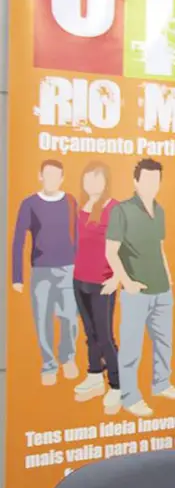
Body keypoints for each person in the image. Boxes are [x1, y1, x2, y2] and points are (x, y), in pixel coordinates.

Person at [106, 158, 175, 417]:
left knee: (164, 342)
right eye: (146, 179)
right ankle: (130, 396)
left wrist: (169, 277)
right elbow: (111, 252)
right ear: (135, 181)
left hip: (162, 288)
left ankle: (161, 383)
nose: (151, 184)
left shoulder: (159, 210)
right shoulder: (122, 210)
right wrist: (127, 283)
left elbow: (159, 247)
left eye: (156, 179)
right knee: (131, 346)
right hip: (136, 292)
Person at [11, 159, 80, 386]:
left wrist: (80, 269)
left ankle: (68, 358)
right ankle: (48, 365)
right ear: (40, 176)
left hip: (69, 270)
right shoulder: (30, 203)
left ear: (62, 179)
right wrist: (17, 277)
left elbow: (78, 237)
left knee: (70, 318)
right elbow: (18, 240)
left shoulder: (70, 201)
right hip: (40, 271)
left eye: (56, 176)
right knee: (43, 321)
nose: (51, 179)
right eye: (47, 175)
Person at [72, 161, 122, 413]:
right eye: (87, 178)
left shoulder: (114, 209)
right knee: (89, 332)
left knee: (105, 336)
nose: (91, 183)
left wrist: (117, 279)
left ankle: (117, 384)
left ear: (106, 181)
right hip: (79, 279)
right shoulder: (82, 207)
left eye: (96, 178)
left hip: (103, 281)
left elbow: (126, 247)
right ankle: (94, 375)